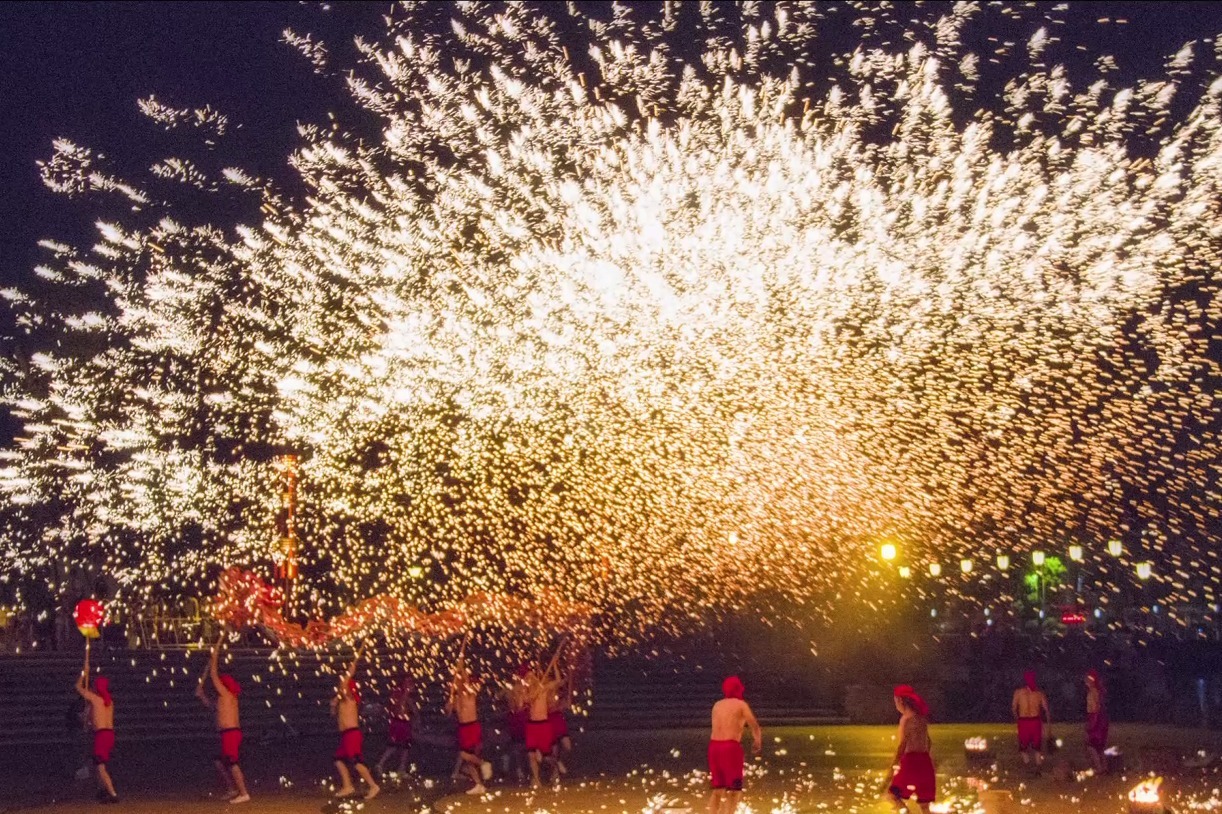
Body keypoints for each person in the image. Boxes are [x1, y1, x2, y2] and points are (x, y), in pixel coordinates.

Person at [195, 637, 251, 803]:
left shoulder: (227, 694)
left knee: (233, 763)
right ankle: (232, 789)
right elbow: (212, 708)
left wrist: (216, 649)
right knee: (219, 762)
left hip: (231, 733)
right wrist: (202, 695)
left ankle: (244, 793)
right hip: (226, 733)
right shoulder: (223, 699)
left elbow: (213, 674)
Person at [707, 676, 762, 814]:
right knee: (734, 789)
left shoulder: (717, 705)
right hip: (730, 748)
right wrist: (757, 741)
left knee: (718, 789)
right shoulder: (741, 704)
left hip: (714, 747)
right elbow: (754, 725)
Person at [330, 648, 380, 800]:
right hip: (345, 735)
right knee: (338, 760)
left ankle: (373, 786)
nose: (340, 686)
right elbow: (334, 715)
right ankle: (348, 786)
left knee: (357, 762)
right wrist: (333, 705)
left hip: (352, 734)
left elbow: (345, 684)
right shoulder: (341, 701)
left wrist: (350, 671)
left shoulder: (350, 699)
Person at [75, 647, 119, 804]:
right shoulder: (109, 702)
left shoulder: (96, 699)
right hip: (109, 734)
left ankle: (113, 793)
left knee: (100, 766)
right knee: (97, 764)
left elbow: (78, 688)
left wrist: (83, 673)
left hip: (101, 735)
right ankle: (102, 791)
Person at [446, 657, 492, 795]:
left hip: (471, 727)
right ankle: (479, 785)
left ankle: (484, 764)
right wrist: (449, 706)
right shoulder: (455, 699)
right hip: (463, 729)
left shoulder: (470, 694)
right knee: (468, 761)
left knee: (465, 755)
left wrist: (461, 668)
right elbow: (448, 713)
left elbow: (465, 683)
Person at [887, 685, 935, 813]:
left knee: (892, 795)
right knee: (924, 804)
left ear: (900, 701)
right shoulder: (921, 719)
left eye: (895, 701)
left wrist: (893, 766)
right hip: (925, 761)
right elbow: (929, 742)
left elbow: (902, 744)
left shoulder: (906, 719)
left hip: (911, 761)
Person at [524, 662, 562, 789]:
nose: (529, 679)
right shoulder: (527, 690)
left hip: (543, 725)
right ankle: (536, 779)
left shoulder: (544, 687)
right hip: (532, 726)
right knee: (531, 755)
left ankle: (555, 770)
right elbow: (528, 700)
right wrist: (535, 689)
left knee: (547, 756)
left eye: (531, 677)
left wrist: (555, 665)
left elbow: (558, 681)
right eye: (528, 678)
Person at [376, 675, 416, 778]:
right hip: (397, 722)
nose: (409, 684)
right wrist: (406, 693)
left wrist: (416, 718)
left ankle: (401, 769)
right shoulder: (397, 693)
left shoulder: (407, 696)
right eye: (407, 681)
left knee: (406, 746)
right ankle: (380, 764)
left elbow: (412, 708)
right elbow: (399, 706)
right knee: (393, 745)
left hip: (405, 723)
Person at [1012, 670, 1051, 766]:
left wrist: (1048, 726)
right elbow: (1013, 708)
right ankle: (1031, 764)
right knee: (1024, 746)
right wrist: (1018, 720)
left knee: (1035, 746)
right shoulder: (1021, 692)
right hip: (1028, 721)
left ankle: (1035, 764)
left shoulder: (1038, 693)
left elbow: (1046, 710)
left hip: (1032, 720)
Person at [1085, 669, 1109, 774]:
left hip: (1096, 718)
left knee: (1091, 746)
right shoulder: (1098, 691)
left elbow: (1095, 708)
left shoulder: (1093, 692)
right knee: (1100, 746)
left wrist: (1092, 724)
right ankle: (1104, 767)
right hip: (1102, 718)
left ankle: (1099, 768)